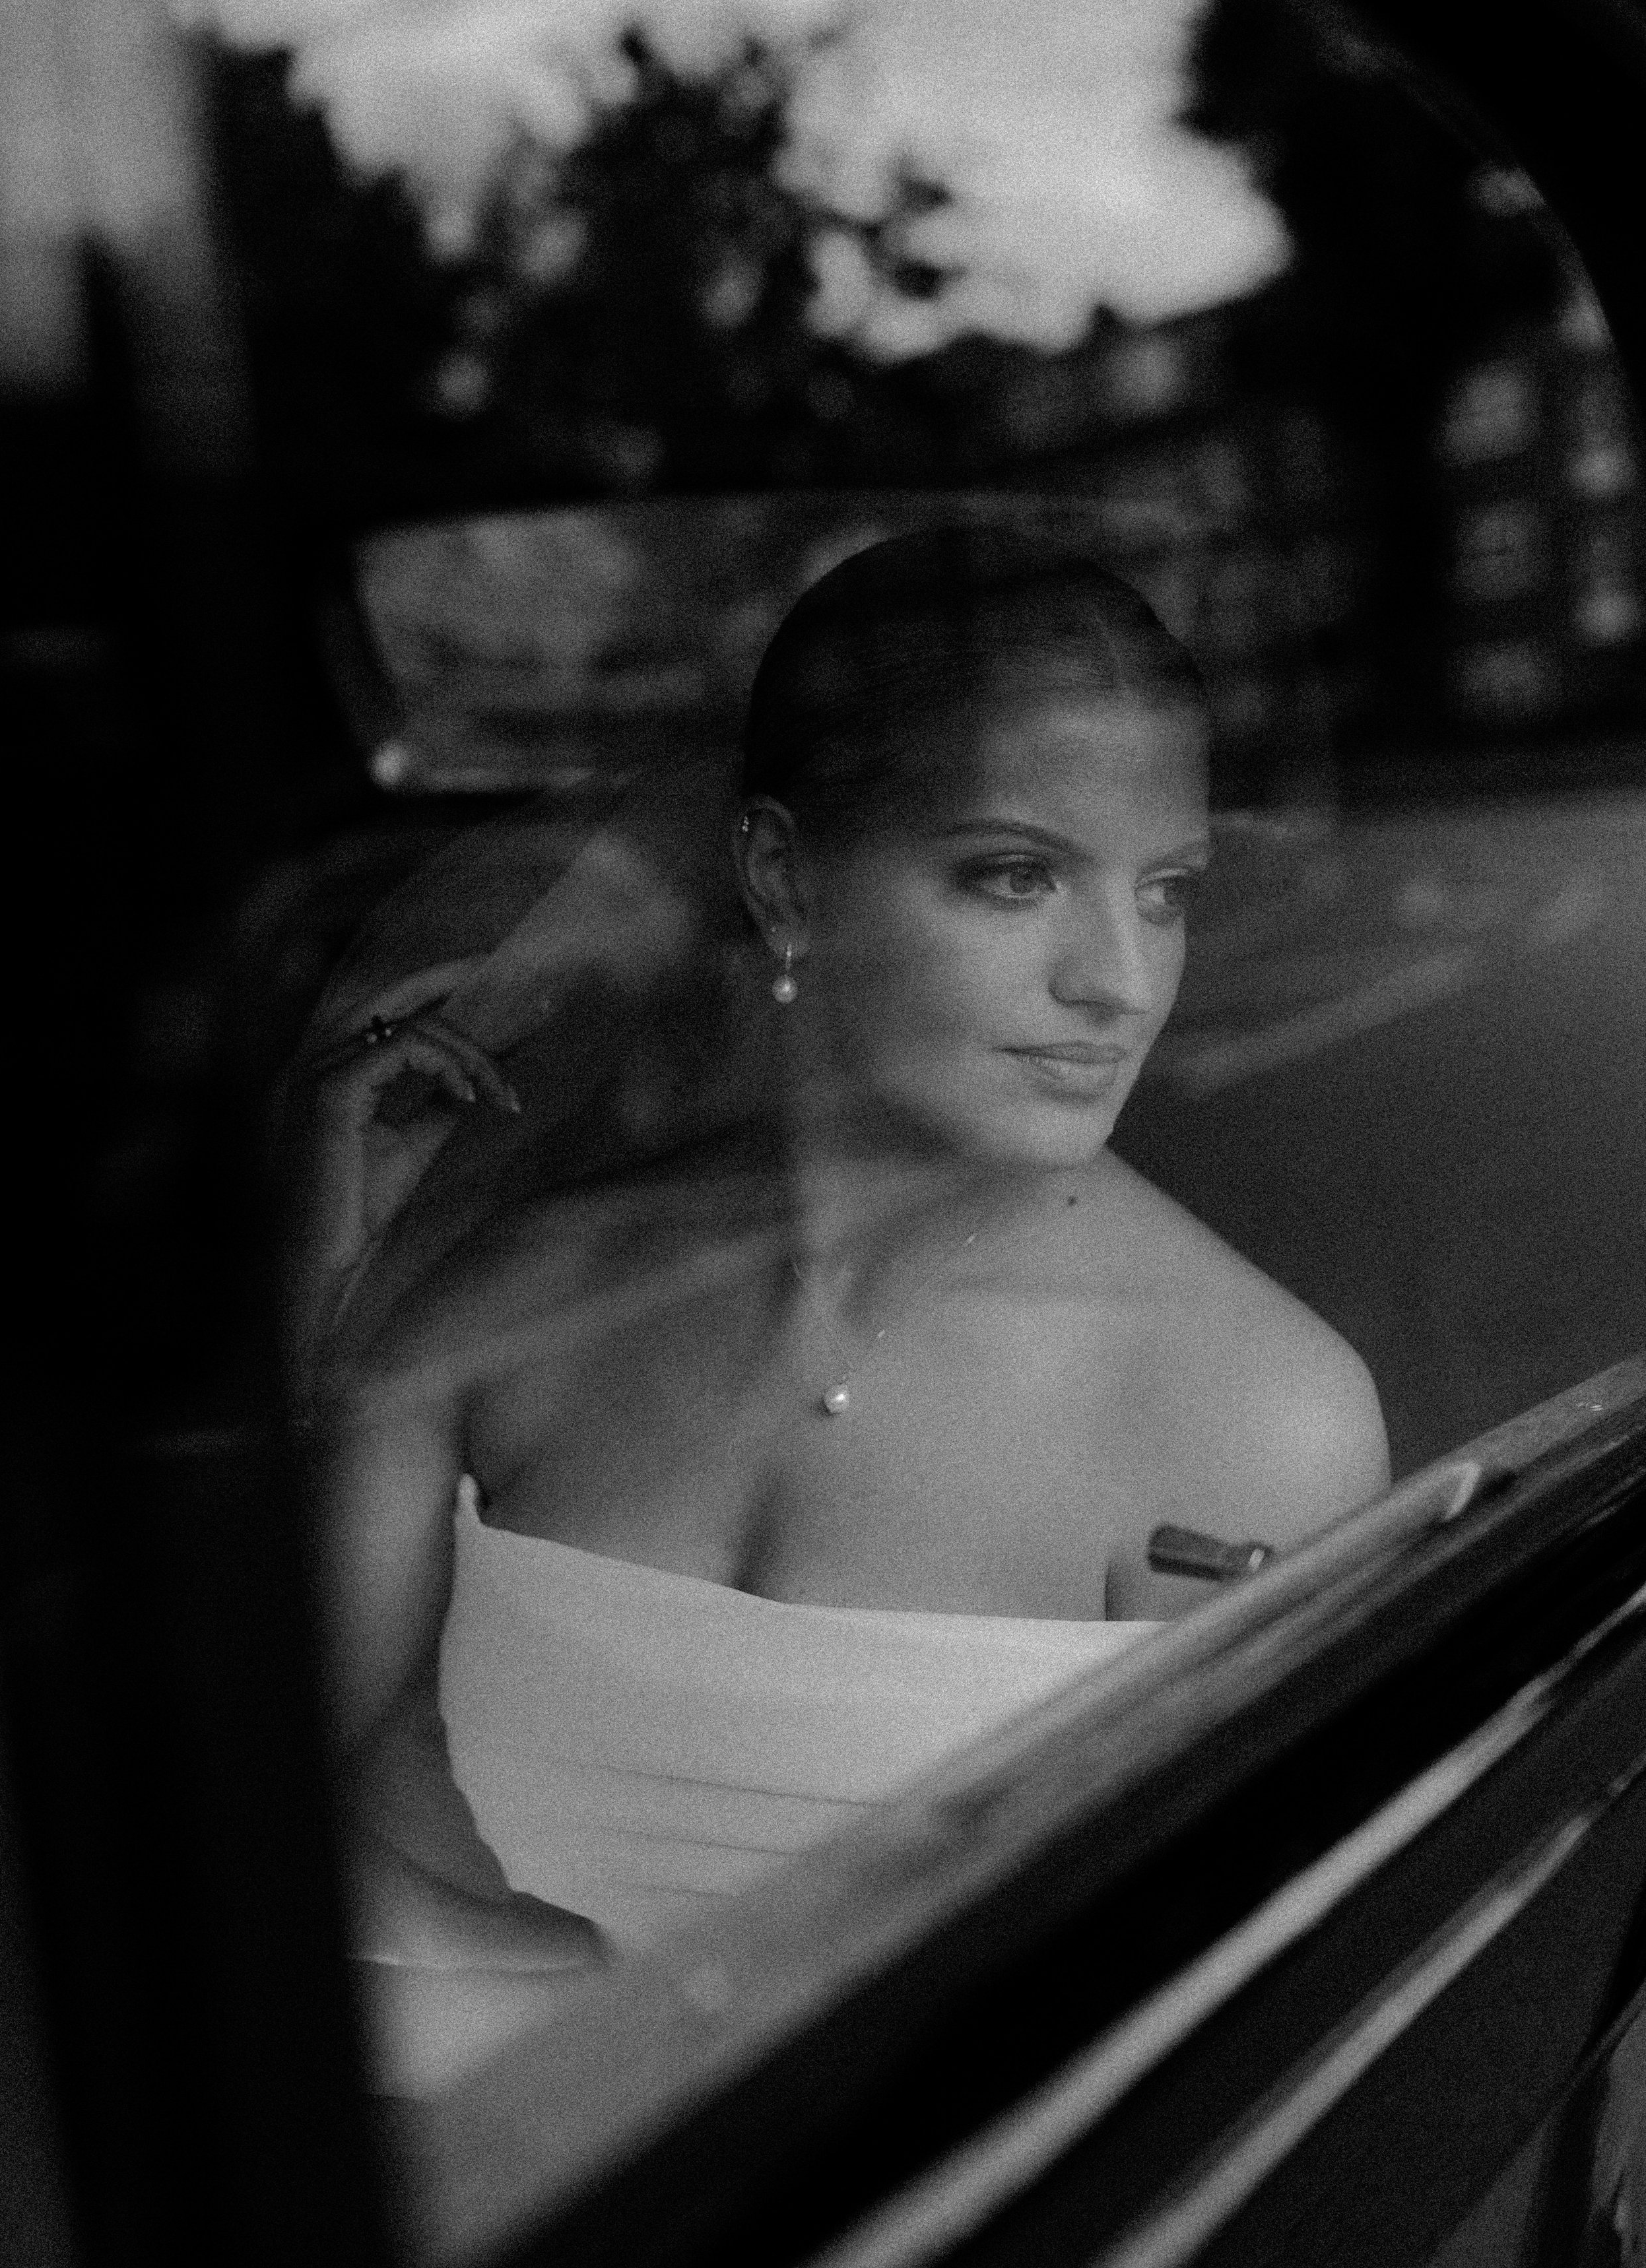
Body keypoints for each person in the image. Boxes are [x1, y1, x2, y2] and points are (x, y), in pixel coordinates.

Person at [298, 524, 1390, 2094]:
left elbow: (1175, 2068)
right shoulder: (518, 1307)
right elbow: (240, 1826)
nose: (1120, 980)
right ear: (780, 878)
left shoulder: (1246, 1415)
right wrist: (317, 1296)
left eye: (1164, 892)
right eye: (1016, 876)